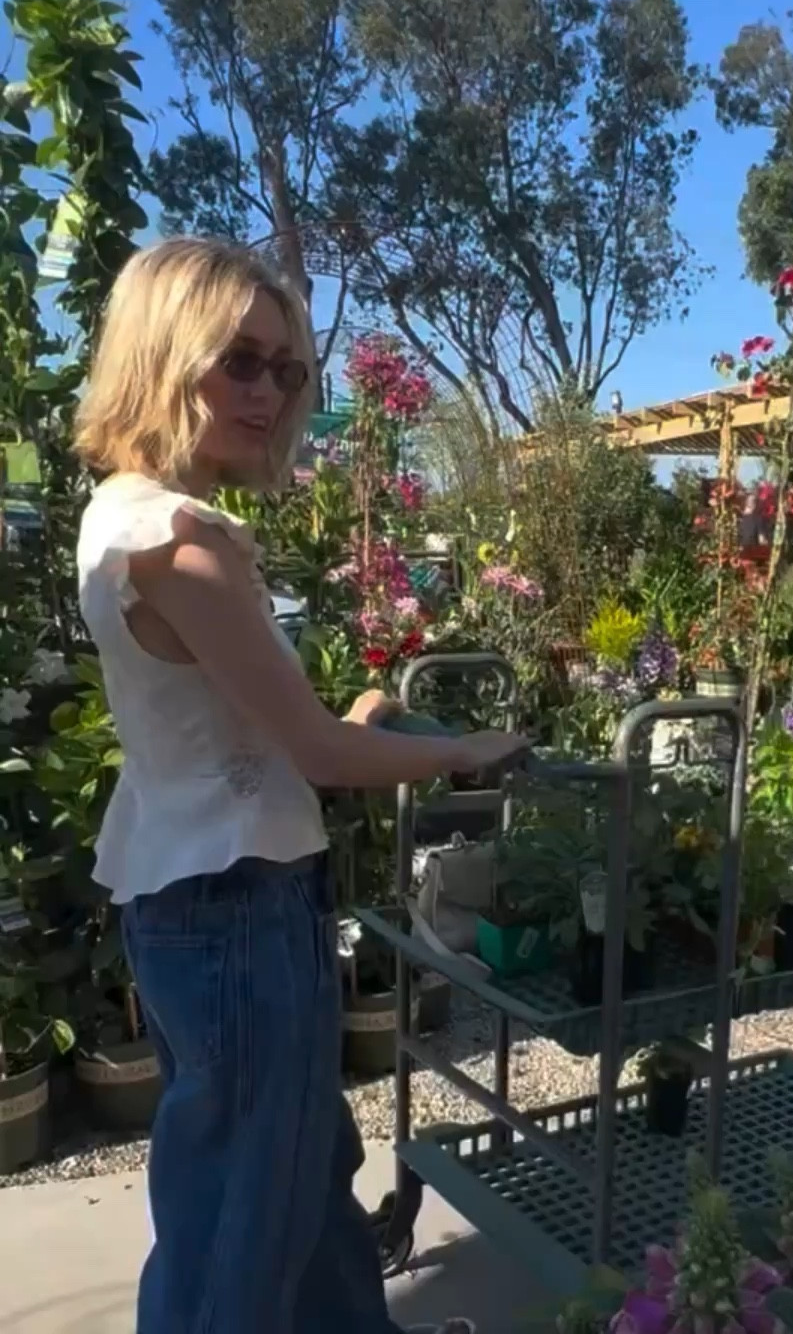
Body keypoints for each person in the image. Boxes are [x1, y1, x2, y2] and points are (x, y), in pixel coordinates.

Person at [75, 237, 522, 1334]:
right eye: (241, 361)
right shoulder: (187, 541)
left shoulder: (117, 513)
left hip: (186, 895)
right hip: (241, 908)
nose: (269, 392)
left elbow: (237, 721)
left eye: (286, 370)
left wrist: (353, 721)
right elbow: (320, 760)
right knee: (243, 1226)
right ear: (163, 355)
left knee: (293, 1187)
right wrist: (463, 750)